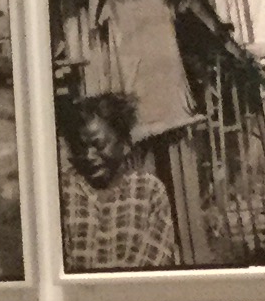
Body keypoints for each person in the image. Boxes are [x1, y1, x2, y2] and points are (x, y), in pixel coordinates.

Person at [57, 89, 179, 269]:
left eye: (99, 145)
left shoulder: (148, 191)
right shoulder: (64, 190)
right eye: (81, 147)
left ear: (124, 143)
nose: (89, 155)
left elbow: (154, 259)